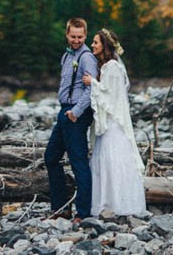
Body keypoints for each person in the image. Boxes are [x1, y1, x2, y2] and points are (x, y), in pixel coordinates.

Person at [83, 28, 146, 217]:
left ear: (105, 46)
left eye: (95, 42)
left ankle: (114, 203)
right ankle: (111, 202)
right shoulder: (110, 66)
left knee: (111, 160)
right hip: (110, 124)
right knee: (107, 160)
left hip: (112, 124)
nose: (92, 45)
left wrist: (92, 82)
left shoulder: (111, 67)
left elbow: (110, 97)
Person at [44, 17, 98, 221]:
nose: (76, 40)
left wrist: (76, 112)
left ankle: (83, 213)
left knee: (79, 162)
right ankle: (60, 208)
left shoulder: (86, 57)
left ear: (85, 35)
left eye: (80, 36)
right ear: (67, 35)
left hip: (77, 114)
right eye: (73, 36)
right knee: (51, 157)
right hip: (64, 112)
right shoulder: (66, 56)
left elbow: (91, 87)